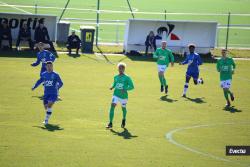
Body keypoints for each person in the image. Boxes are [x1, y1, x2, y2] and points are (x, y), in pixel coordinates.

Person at [106, 62, 134, 129]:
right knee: (112, 106)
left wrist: (125, 89)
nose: (120, 70)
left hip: (123, 96)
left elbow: (132, 86)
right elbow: (114, 83)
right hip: (115, 94)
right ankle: (110, 123)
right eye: (119, 68)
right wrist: (112, 87)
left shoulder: (127, 78)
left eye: (122, 69)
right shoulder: (115, 77)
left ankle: (124, 119)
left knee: (123, 108)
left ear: (124, 69)